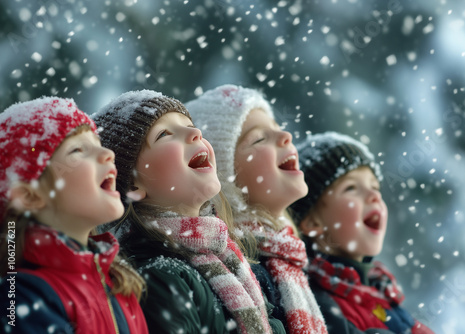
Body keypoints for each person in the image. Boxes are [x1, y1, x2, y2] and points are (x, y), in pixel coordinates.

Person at [92, 90, 284, 334]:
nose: (195, 133)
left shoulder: (231, 258)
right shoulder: (158, 275)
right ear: (132, 184)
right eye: (164, 134)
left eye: (190, 125)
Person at [186, 84, 327, 334]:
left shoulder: (291, 260)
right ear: (225, 180)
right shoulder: (240, 272)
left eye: (278, 128)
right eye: (260, 138)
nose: (286, 137)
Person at [0, 97, 148, 333]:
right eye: (78, 150)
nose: (108, 153)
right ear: (30, 197)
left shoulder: (121, 283)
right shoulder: (21, 297)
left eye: (98, 143)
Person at [288, 131, 434, 334]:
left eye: (375, 187)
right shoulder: (318, 304)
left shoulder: (379, 294)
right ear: (312, 222)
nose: (374, 195)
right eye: (351, 188)